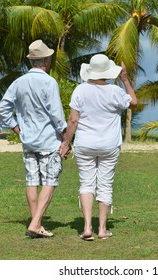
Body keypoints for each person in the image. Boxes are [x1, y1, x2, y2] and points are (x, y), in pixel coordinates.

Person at [59, 54, 137, 241]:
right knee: (105, 184)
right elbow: (133, 102)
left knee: (86, 183)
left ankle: (87, 227)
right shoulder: (115, 91)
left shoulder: (80, 90)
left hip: (85, 143)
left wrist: (66, 143)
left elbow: (73, 120)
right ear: (108, 72)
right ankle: (102, 229)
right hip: (109, 144)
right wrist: (125, 80)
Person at [0, 40, 67, 238]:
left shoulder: (19, 82)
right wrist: (65, 138)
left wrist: (16, 129)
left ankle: (36, 223)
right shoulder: (49, 82)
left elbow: (3, 109)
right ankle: (36, 223)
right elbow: (56, 114)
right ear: (46, 60)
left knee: (31, 180)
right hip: (48, 140)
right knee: (50, 181)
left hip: (28, 140)